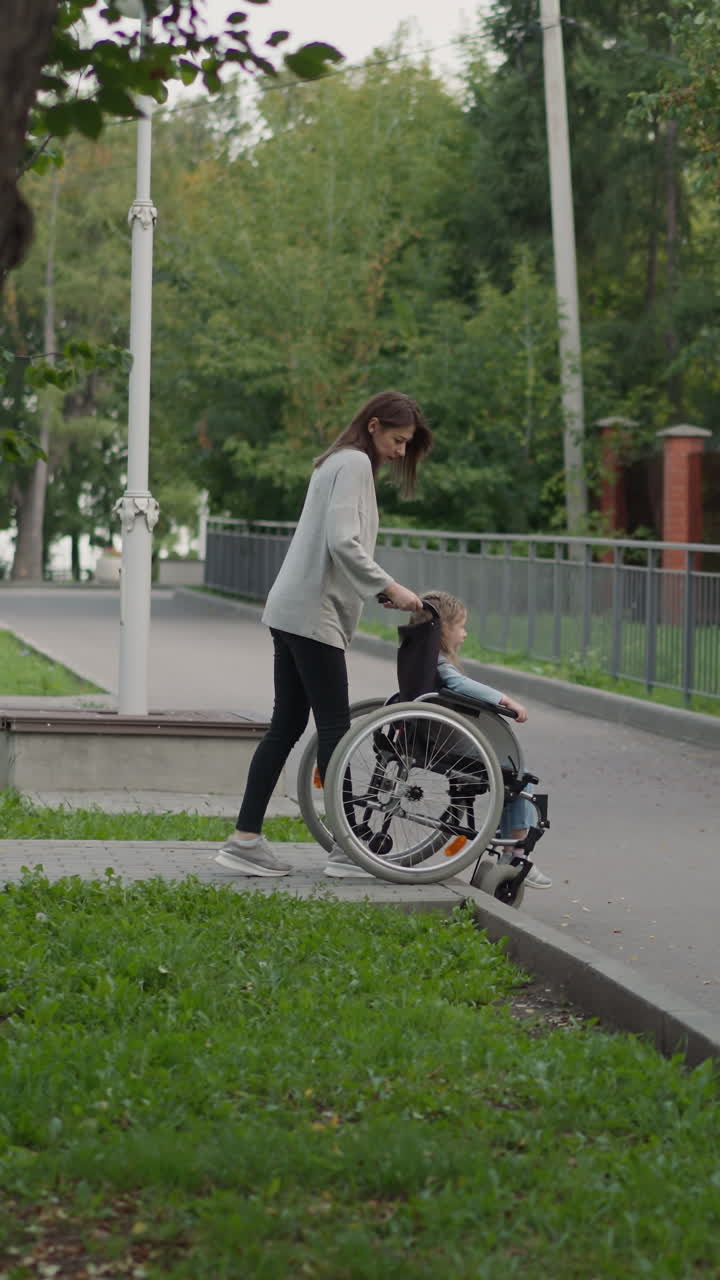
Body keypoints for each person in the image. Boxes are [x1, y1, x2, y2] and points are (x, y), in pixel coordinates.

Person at [216, 390, 433, 879]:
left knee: (286, 727)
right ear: (374, 425)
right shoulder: (354, 464)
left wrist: (375, 589)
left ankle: (245, 840)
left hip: (292, 608)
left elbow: (335, 545)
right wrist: (389, 586)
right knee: (335, 729)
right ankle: (349, 847)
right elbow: (343, 542)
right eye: (398, 440)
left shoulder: (335, 462)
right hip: (313, 614)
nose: (400, 451)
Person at [409, 589, 552, 889]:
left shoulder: (416, 656)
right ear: (443, 629)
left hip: (432, 738)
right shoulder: (438, 663)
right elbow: (459, 684)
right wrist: (505, 700)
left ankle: (509, 846)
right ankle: (516, 854)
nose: (465, 633)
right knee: (517, 776)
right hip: (452, 744)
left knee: (510, 773)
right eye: (461, 627)